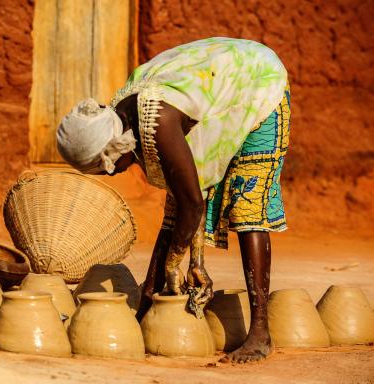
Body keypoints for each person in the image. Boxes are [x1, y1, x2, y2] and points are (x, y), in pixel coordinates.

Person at [56, 37, 290, 363]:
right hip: (220, 92)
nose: (116, 174)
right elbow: (181, 207)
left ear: (113, 150)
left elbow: (193, 204)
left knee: (247, 207)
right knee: (176, 206)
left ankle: (260, 332)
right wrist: (150, 301)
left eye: (108, 170)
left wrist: (175, 266)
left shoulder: (158, 121)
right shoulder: (125, 117)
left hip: (258, 85)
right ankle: (149, 305)